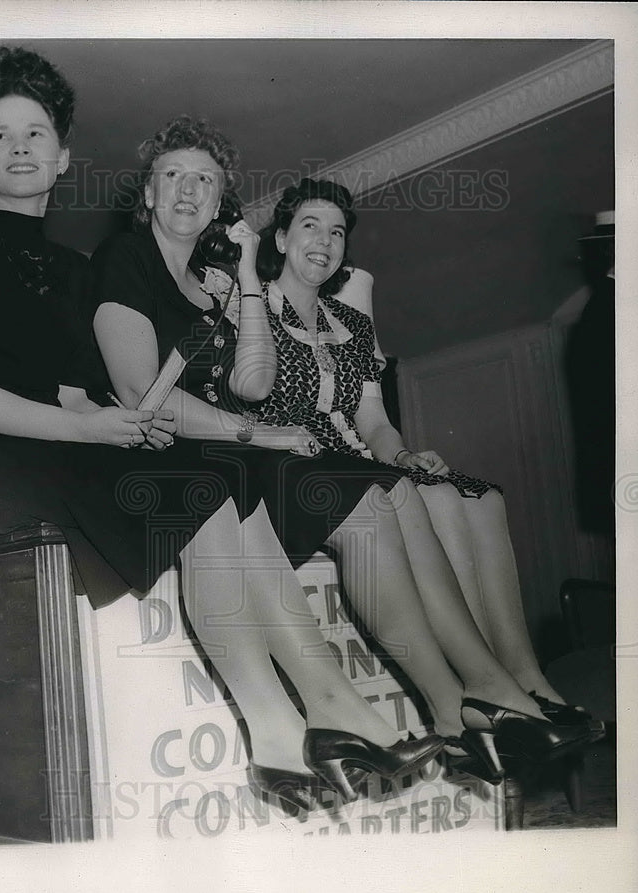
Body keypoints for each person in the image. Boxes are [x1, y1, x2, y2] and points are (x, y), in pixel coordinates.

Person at [0, 51, 441, 817]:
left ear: (63, 156)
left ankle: (315, 715)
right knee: (199, 476)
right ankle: (301, 725)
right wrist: (89, 430)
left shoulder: (73, 266)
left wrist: (114, 424)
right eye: (0, 136)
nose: (21, 147)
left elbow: (67, 381)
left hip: (55, 438)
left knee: (217, 471)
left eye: (36, 132)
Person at [91, 118, 592, 790]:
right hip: (226, 461)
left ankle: (480, 692)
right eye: (173, 176)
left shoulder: (215, 287)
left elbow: (262, 388)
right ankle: (463, 696)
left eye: (205, 180)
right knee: (372, 495)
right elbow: (165, 396)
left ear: (222, 204)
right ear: (146, 194)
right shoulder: (142, 266)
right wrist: (259, 419)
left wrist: (236, 285)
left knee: (422, 492)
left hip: (250, 457)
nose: (189, 191)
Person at [251, 177, 602, 756]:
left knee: (475, 495)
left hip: (365, 459)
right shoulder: (255, 305)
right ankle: (483, 685)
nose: (325, 241)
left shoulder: (353, 324)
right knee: (415, 497)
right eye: (310, 226)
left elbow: (374, 420)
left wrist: (405, 454)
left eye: (337, 231)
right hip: (305, 466)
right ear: (283, 236)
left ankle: (524, 679)